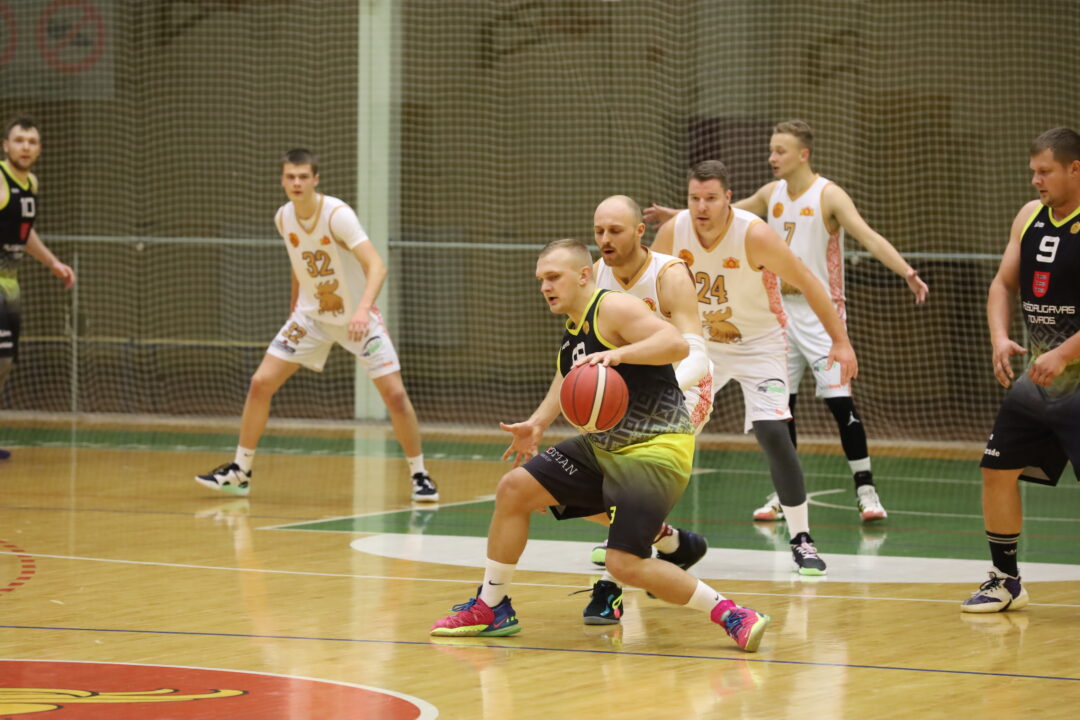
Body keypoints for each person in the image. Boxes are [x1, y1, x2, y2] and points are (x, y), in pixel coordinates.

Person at [430, 238, 770, 652]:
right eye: (540, 280)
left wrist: (621, 355)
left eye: (553, 277)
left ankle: (733, 614)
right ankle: (492, 606)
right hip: (605, 447)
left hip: (654, 448)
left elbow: (677, 344)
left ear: (584, 275)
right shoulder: (575, 329)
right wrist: (537, 423)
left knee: (622, 564)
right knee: (515, 488)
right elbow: (567, 378)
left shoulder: (613, 307)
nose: (545, 287)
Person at [647, 120, 928, 523]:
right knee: (781, 410)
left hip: (819, 311)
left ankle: (865, 488)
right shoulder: (770, 193)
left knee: (839, 401)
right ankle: (784, 495)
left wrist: (906, 271)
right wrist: (678, 214)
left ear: (803, 154)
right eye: (771, 149)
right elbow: (728, 210)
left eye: (780, 150)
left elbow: (867, 236)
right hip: (776, 313)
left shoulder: (829, 195)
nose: (771, 157)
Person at [196, 149, 438, 502]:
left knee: (396, 397)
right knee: (260, 383)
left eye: (303, 176)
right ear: (282, 180)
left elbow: (377, 265)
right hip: (310, 317)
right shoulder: (283, 217)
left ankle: (420, 475)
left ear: (315, 179)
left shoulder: (338, 215)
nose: (296, 182)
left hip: (356, 319)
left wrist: (363, 310)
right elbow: (300, 265)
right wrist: (294, 308)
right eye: (290, 176)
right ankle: (240, 471)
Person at [652, 160, 857, 576]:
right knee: (666, 434)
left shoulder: (754, 234)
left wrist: (840, 341)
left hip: (760, 344)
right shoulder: (674, 231)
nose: (702, 207)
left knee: (773, 431)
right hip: (700, 345)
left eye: (711, 198)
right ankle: (639, 530)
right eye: (694, 198)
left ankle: (801, 538)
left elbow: (809, 281)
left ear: (728, 198)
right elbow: (648, 286)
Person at [962, 127, 1080, 613]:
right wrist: (998, 337)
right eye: (1033, 171)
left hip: (1071, 374)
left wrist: (1064, 352)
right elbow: (1001, 284)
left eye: (1045, 171)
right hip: (1039, 381)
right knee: (997, 469)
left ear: (1075, 168)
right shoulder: (1029, 215)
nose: (1035, 179)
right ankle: (1005, 580)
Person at [584, 195, 712, 614]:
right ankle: (673, 543)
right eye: (599, 231)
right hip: (626, 394)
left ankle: (610, 588)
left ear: (641, 232)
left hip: (683, 389)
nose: (605, 239)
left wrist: (655, 393)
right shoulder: (596, 276)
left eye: (615, 230)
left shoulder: (669, 274)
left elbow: (696, 354)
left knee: (631, 477)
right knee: (584, 488)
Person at [0, 117, 76, 459]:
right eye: (19, 140)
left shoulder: (30, 183)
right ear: (6, 146)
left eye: (32, 142)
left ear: (39, 149)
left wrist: (52, 262)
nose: (25, 147)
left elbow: (23, 231)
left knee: (4, 364)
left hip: (10, 285)